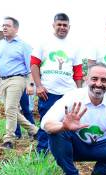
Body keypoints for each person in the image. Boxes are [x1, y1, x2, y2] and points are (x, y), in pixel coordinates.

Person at [31, 13, 83, 153]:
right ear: (53, 25)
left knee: (67, 124)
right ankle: (42, 154)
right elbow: (34, 65)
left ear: (69, 27)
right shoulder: (43, 42)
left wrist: (79, 92)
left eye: (65, 25)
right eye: (59, 24)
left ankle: (65, 154)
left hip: (69, 93)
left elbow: (78, 71)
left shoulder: (75, 46)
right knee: (46, 122)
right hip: (48, 92)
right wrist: (39, 86)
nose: (62, 27)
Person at [0, 17, 38, 149]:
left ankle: (9, 140)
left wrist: (30, 84)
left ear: (16, 28)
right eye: (3, 25)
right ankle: (35, 131)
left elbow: (30, 66)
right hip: (3, 80)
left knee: (10, 109)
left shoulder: (23, 45)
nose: (4, 28)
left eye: (7, 25)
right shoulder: (1, 44)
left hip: (17, 79)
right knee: (12, 110)